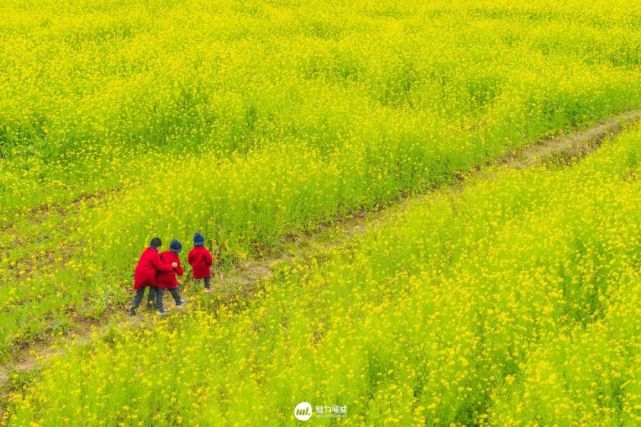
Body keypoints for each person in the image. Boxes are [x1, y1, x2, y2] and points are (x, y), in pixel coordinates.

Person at [130, 237, 177, 316]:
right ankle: (150, 305)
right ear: (158, 247)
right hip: (148, 275)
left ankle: (132, 311)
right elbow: (160, 267)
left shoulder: (145, 252)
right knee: (154, 287)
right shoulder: (154, 254)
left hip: (139, 274)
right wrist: (171, 266)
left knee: (139, 293)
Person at [157, 239, 186, 311]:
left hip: (160, 277)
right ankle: (178, 303)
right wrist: (181, 271)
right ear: (179, 251)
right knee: (174, 290)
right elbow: (179, 272)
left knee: (159, 294)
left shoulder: (163, 254)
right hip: (170, 278)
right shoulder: (176, 259)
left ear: (169, 247)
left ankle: (160, 309)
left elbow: (156, 259)